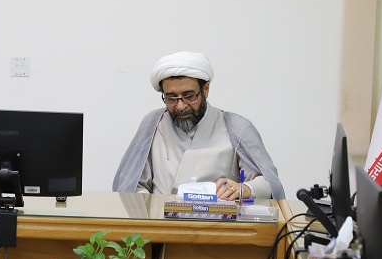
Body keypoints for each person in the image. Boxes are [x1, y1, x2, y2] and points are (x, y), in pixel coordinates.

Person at [112, 51, 285, 199]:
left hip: (217, 225)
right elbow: (133, 184)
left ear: (206, 89)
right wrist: (153, 209)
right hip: (161, 223)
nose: (180, 106)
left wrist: (245, 189)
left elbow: (269, 183)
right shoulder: (153, 124)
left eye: (189, 96)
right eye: (171, 98)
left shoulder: (237, 127)